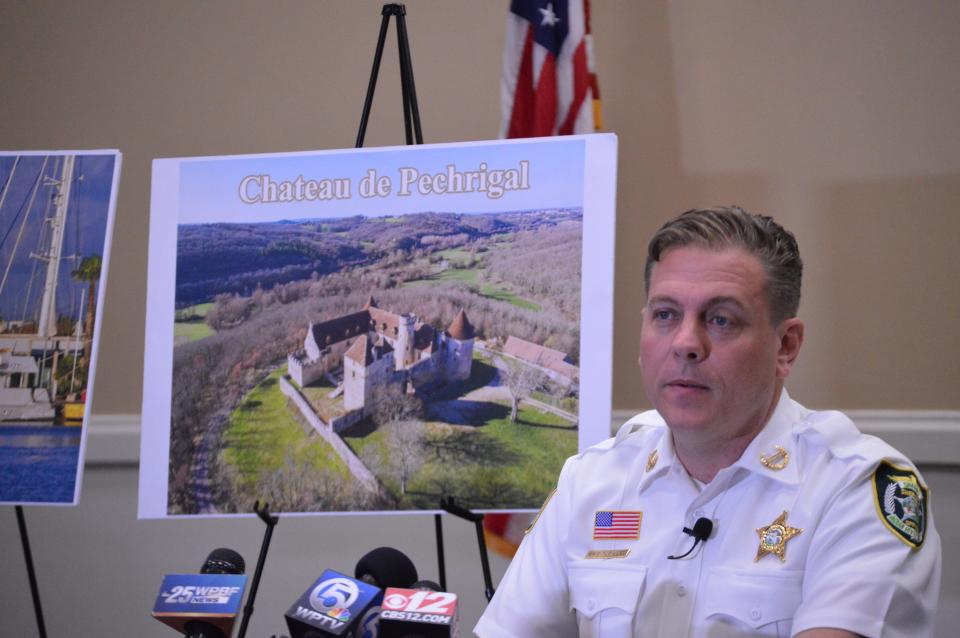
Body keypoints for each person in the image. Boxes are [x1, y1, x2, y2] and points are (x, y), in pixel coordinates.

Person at [474, 207, 940, 638]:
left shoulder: (854, 487)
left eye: (721, 320)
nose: (686, 343)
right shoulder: (593, 480)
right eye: (665, 315)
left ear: (786, 347)